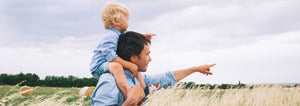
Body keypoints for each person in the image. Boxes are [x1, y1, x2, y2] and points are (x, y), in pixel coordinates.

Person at [91, 31, 216, 105]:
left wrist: (195, 69)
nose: (150, 59)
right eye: (147, 54)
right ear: (134, 57)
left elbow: (166, 78)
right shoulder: (109, 83)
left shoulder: (136, 78)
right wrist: (130, 103)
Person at [89, 2, 156, 99]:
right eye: (127, 19)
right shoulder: (110, 35)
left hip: (109, 63)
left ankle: (144, 90)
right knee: (116, 66)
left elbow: (129, 41)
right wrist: (128, 65)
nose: (128, 22)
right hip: (99, 66)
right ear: (117, 21)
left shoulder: (118, 34)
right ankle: (128, 94)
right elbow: (110, 56)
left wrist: (142, 38)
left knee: (134, 65)